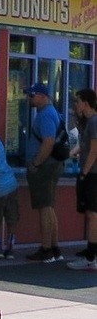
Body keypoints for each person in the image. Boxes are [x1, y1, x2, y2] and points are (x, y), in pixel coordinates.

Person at [24, 82, 64, 263]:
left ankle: (46, 248)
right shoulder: (49, 113)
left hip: (45, 167)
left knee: (44, 208)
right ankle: (54, 248)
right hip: (51, 166)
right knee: (49, 207)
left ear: (42, 95)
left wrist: (35, 163)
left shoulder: (46, 115)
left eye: (32, 95)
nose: (29, 98)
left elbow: (48, 142)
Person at [67, 88, 97, 271]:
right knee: (91, 214)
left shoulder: (94, 122)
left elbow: (94, 150)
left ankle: (91, 257)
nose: (76, 105)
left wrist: (84, 173)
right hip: (90, 173)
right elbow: (83, 147)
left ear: (85, 103)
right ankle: (91, 252)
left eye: (78, 101)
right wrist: (68, 154)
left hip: (93, 174)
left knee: (93, 214)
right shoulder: (87, 123)